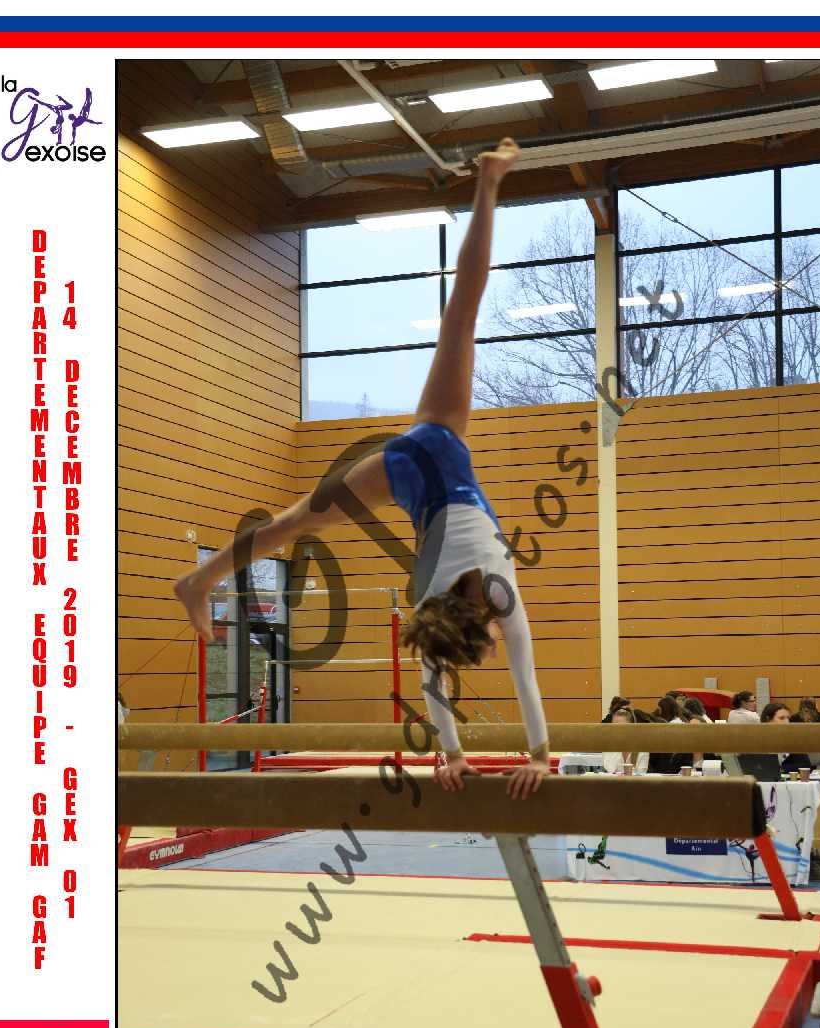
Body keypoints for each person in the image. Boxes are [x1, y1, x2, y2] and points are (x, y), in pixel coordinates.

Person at [173, 139, 547, 801]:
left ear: (477, 614)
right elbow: (436, 679)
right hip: (406, 472)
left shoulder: (496, 594)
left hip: (436, 450)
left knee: (462, 314)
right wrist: (459, 753)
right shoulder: (432, 601)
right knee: (289, 524)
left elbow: (521, 669)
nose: (497, 631)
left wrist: (524, 754)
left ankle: (489, 184)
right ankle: (201, 578)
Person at [760, 702, 810, 774]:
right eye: (782, 718)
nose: (787, 722)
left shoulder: (795, 741)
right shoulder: (758, 741)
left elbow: (804, 766)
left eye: (788, 718)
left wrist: (781, 770)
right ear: (768, 719)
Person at [602, 707, 649, 776]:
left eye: (621, 727)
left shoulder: (641, 747)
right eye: (614, 726)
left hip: (635, 782)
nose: (616, 731)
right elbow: (610, 770)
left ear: (631, 729)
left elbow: (641, 774)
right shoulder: (608, 746)